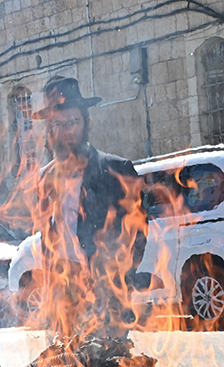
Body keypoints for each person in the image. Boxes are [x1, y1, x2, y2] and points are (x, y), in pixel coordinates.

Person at [31, 76, 147, 333]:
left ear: (87, 123)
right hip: (64, 291)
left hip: (105, 289)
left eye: (73, 122)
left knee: (108, 366)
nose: (66, 131)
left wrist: (118, 280)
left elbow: (138, 234)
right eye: (58, 124)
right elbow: (47, 237)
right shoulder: (45, 177)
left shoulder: (117, 170)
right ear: (49, 130)